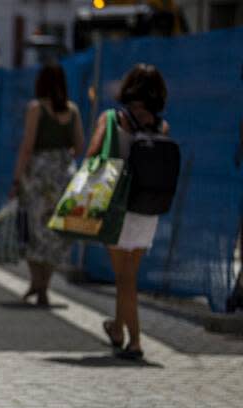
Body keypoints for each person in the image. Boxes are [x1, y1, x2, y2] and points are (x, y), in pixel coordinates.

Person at [86, 64, 169, 360]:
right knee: (129, 274)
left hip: (117, 206)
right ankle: (117, 329)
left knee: (125, 279)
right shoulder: (161, 126)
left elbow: (93, 154)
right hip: (148, 208)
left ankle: (135, 341)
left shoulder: (112, 119)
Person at [11, 63, 84, 306]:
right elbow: (79, 146)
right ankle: (45, 285)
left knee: (32, 227)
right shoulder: (72, 110)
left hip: (39, 175)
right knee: (56, 229)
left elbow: (27, 145)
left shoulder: (36, 108)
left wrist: (17, 177)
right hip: (63, 174)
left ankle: (36, 281)